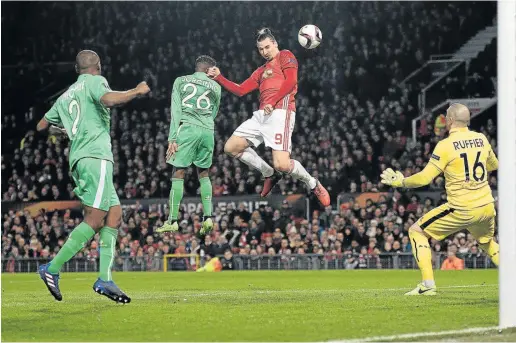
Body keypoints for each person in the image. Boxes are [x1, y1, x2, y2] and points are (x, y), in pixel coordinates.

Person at [35, 50, 150, 303]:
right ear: (98, 66)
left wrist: (65, 130)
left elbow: (41, 126)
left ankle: (105, 279)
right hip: (94, 156)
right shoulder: (96, 81)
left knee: (114, 213)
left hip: (81, 157)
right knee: (96, 218)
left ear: (77, 69)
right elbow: (108, 99)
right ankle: (52, 269)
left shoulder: (66, 95)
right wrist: (136, 91)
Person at [381, 103, 499, 296]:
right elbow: (493, 165)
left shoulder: (445, 145)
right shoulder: (481, 139)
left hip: (462, 207)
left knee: (416, 231)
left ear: (450, 120)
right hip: (486, 205)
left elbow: (425, 178)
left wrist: (401, 181)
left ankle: (428, 284)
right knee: (487, 243)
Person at [206, 28, 330, 207]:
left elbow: (291, 81)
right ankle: (269, 174)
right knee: (231, 147)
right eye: (261, 49)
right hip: (263, 115)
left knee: (282, 164)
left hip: (281, 111)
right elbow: (241, 90)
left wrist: (273, 101)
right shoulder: (260, 71)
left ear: (275, 44)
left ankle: (313, 183)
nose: (264, 52)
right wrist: (219, 77)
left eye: (267, 47)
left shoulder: (285, 56)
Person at [156, 56, 221, 235]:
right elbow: (214, 111)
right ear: (209, 70)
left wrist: (172, 138)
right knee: (204, 173)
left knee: (178, 172)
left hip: (188, 129)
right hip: (208, 130)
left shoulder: (180, 81)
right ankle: (208, 217)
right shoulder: (216, 86)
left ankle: (173, 220)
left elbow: (176, 110)